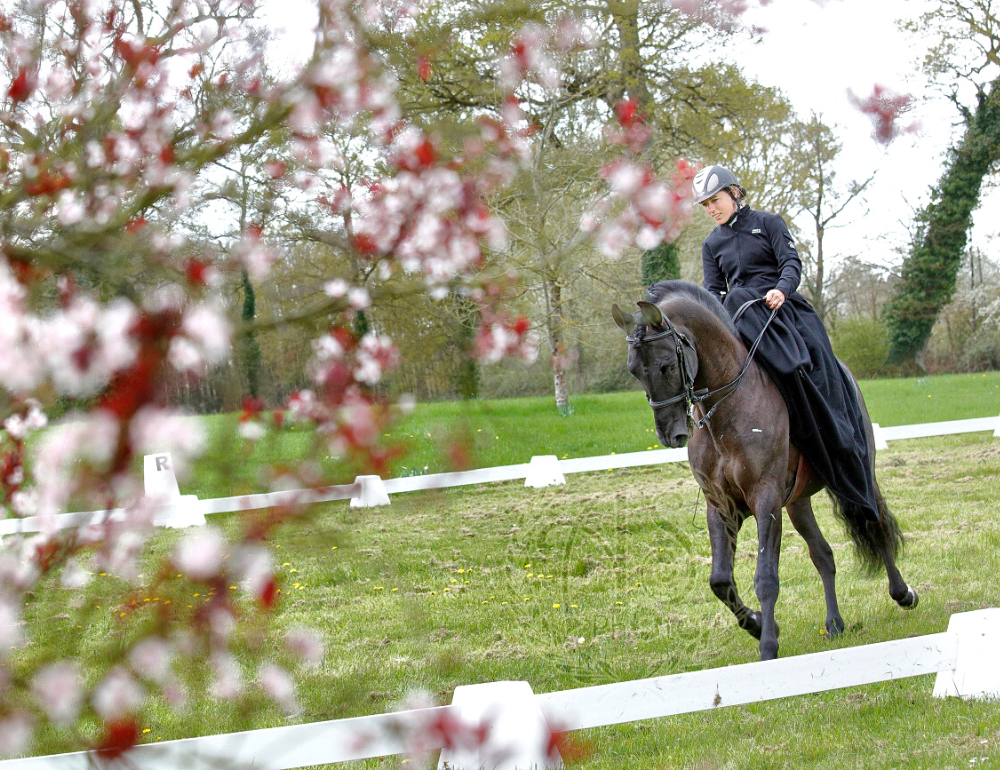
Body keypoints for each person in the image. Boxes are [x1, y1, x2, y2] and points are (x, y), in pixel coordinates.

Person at [692, 164, 881, 524]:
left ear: (733, 193)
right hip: (740, 316)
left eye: (714, 200)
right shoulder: (711, 243)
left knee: (813, 361)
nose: (711, 209)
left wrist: (782, 288)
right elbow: (713, 292)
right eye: (705, 205)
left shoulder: (769, 223)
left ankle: (833, 427)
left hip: (779, 309)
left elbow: (790, 263)